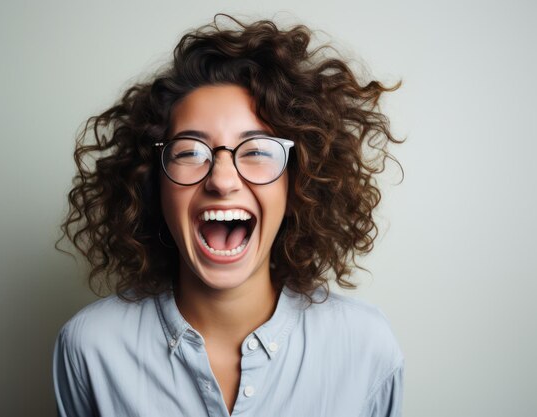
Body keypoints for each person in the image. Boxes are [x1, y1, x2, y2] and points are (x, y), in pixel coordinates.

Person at [53, 14, 404, 417]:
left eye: (256, 150)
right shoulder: (90, 348)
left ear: (297, 181)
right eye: (189, 152)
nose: (222, 180)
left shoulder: (366, 348)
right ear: (154, 184)